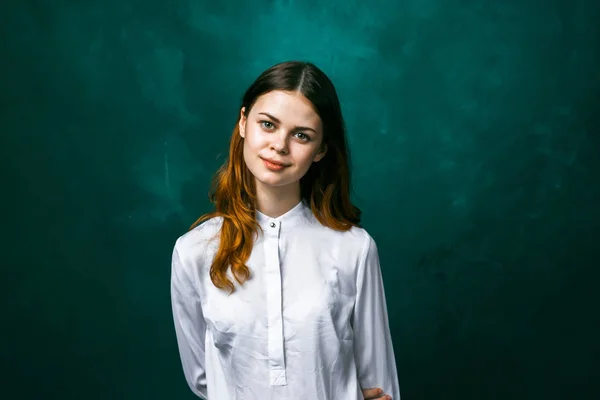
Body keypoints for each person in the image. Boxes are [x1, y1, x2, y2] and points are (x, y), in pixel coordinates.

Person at [170, 60, 401, 399]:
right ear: (244, 122)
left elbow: (379, 385)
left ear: (320, 149)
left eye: (300, 135)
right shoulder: (194, 251)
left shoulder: (353, 248)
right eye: (268, 124)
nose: (280, 145)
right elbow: (203, 378)